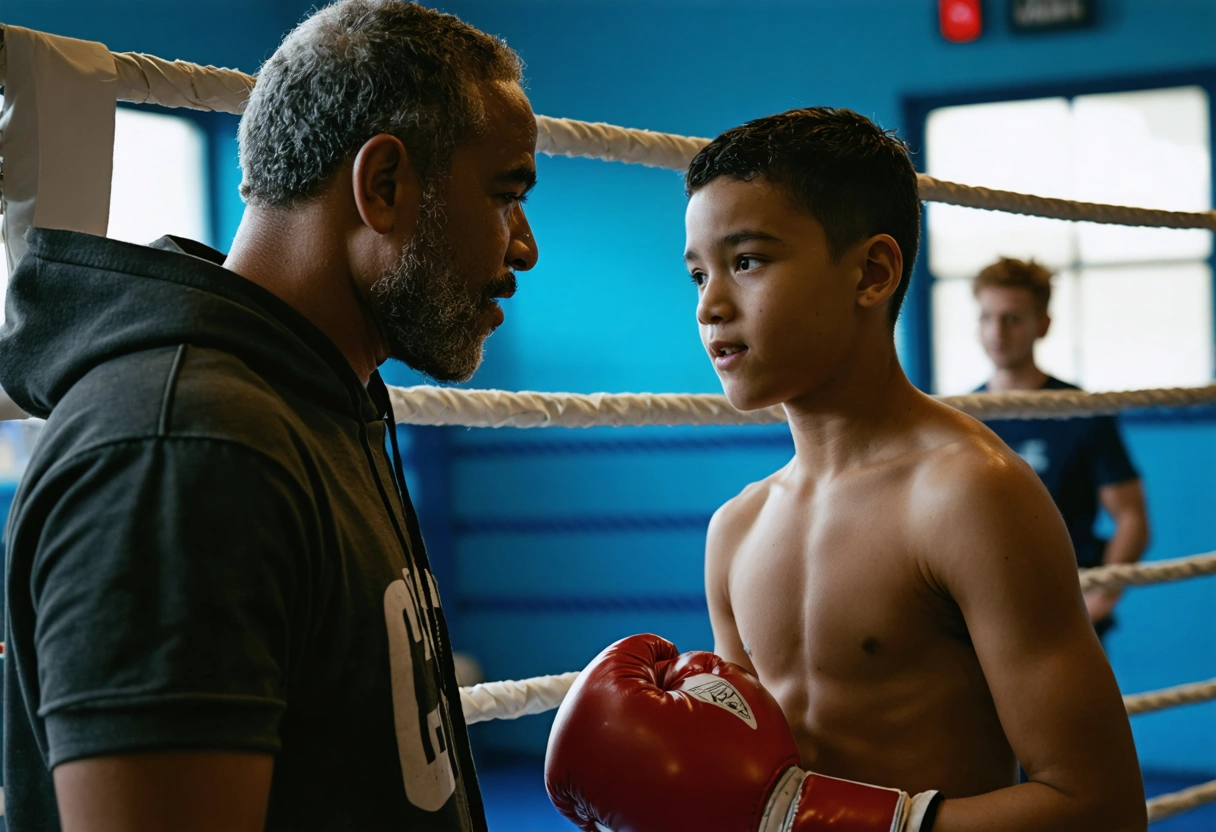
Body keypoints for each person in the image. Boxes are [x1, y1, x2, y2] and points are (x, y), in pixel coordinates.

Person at [0, 2, 538, 830]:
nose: (523, 245)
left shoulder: (311, 401)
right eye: (507, 195)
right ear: (383, 187)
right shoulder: (188, 446)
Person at [547, 108, 1146, 831]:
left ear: (872, 272)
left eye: (748, 261)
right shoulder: (735, 530)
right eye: (698, 272)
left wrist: (848, 822)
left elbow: (1101, 807)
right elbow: (756, 790)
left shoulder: (971, 495)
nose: (710, 305)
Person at [973, 258, 1149, 638]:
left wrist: (1099, 601)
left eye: (1012, 318)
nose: (996, 332)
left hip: (1068, 610)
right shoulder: (962, 416)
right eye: (986, 317)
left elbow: (1131, 516)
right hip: (985, 613)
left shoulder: (1081, 410)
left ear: (1043, 324)